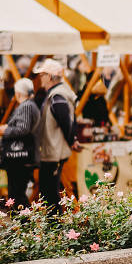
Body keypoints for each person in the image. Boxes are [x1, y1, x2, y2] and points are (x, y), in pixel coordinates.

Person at [34, 59, 81, 213]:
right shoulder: (57, 94)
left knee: (50, 194)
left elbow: (66, 123)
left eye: (42, 75)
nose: (40, 78)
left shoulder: (57, 96)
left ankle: (55, 228)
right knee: (49, 192)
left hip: (54, 152)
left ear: (50, 77)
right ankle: (54, 227)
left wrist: (70, 140)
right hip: (53, 151)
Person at [0, 78, 40, 209]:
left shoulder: (27, 105)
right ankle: (22, 223)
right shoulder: (29, 105)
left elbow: (23, 128)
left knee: (17, 193)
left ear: (18, 93)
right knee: (17, 193)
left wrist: (6, 130)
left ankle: (25, 223)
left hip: (20, 157)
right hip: (21, 156)